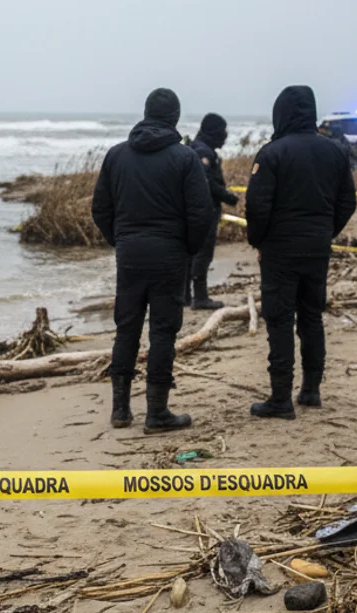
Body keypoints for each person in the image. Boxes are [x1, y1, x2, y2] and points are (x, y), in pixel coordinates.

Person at [91, 88, 213, 433]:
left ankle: (120, 411)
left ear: (146, 113)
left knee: (126, 329)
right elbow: (201, 213)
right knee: (163, 332)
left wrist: (122, 239)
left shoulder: (116, 156)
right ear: (174, 117)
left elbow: (100, 208)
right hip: (169, 254)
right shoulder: (185, 158)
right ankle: (157, 413)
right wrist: (187, 248)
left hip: (130, 254)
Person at [244, 85, 357, 419]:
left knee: (279, 320)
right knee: (311, 317)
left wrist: (258, 241)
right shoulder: (335, 152)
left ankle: (280, 399)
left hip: (279, 250)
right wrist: (325, 232)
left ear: (281, 112)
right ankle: (310, 391)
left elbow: (256, 205)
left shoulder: (272, 153)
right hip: (316, 248)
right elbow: (347, 202)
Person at [186, 113, 240, 310]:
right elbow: (205, 182)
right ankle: (199, 297)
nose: (225, 136)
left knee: (191, 253)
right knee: (202, 253)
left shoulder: (197, 148)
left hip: (196, 209)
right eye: (223, 131)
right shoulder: (203, 152)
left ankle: (186, 296)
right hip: (205, 211)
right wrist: (228, 197)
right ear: (214, 132)